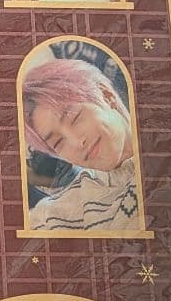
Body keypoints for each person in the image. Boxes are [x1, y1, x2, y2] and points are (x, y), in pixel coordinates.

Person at [22, 57, 139, 231]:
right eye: (58, 143)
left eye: (74, 118)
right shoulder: (56, 216)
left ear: (107, 96)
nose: (77, 142)